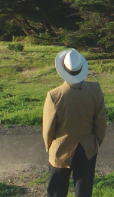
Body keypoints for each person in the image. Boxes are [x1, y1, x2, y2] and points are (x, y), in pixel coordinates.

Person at [42, 48, 107, 197]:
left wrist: (49, 146)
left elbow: (48, 130)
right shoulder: (95, 90)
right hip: (87, 148)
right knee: (84, 191)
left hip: (61, 149)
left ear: (63, 70)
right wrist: (97, 141)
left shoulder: (54, 96)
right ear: (81, 69)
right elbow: (101, 122)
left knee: (57, 192)